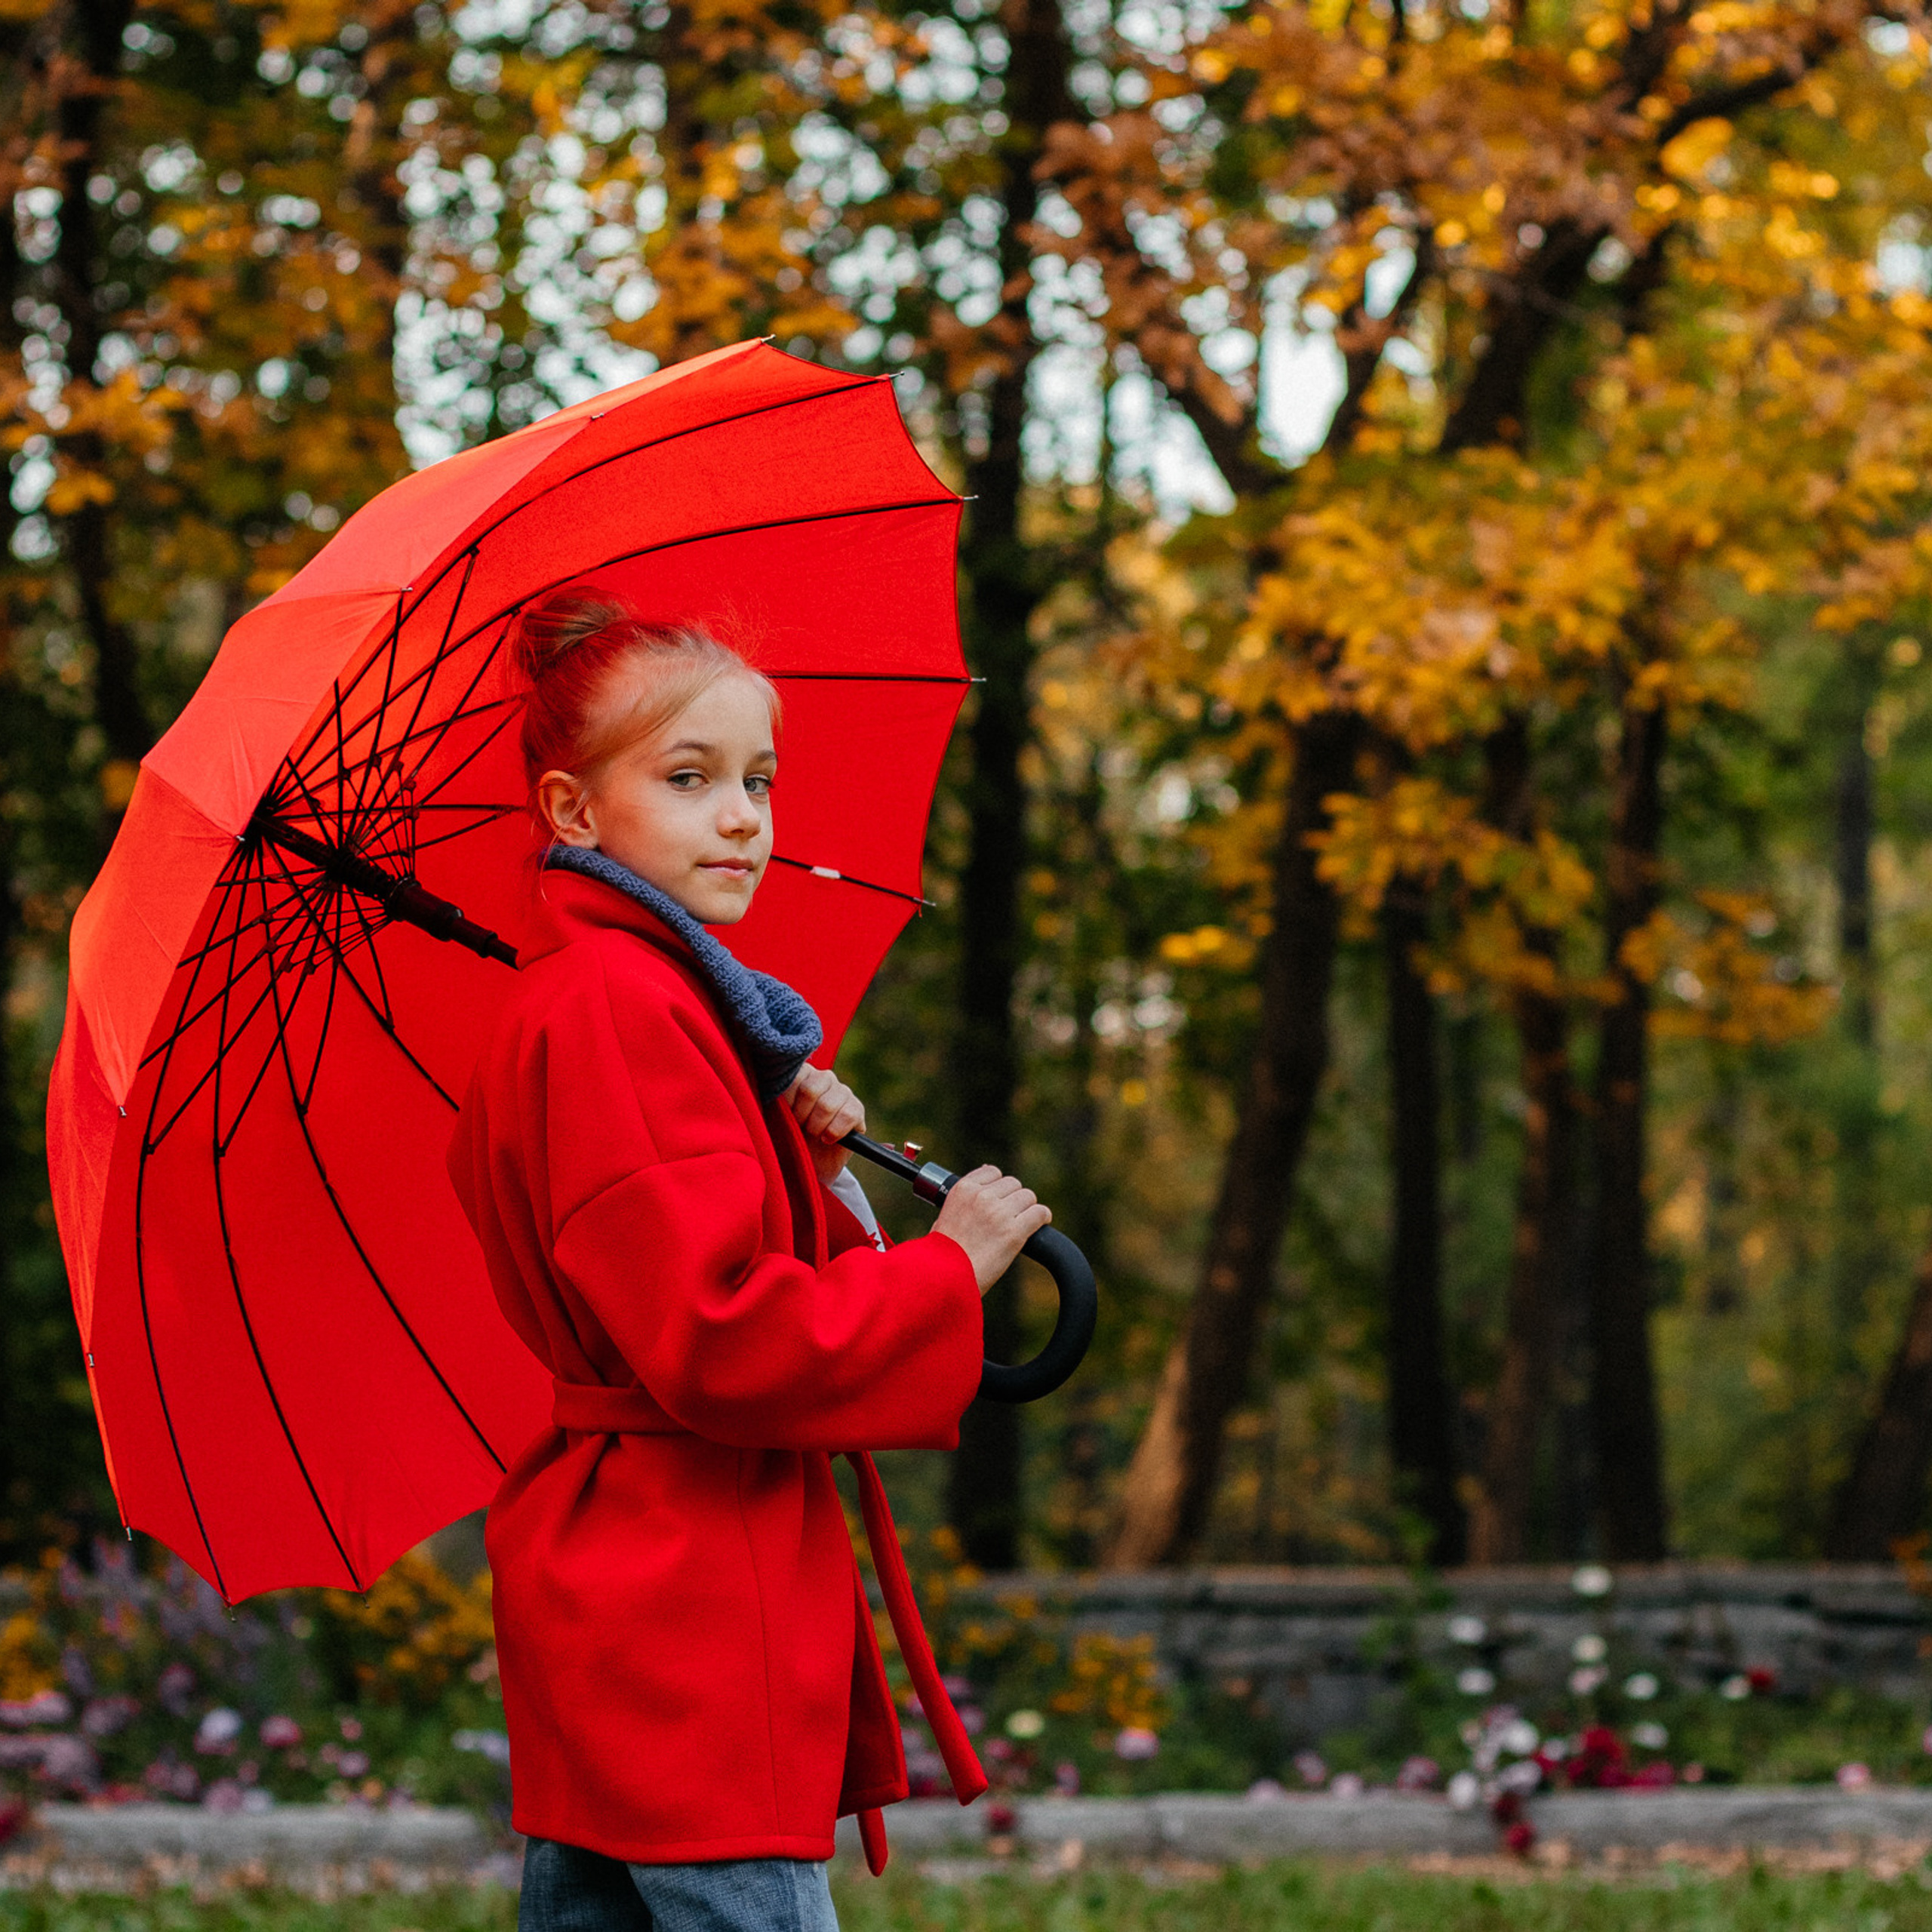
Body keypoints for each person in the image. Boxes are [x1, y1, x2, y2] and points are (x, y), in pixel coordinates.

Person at [446, 589, 1051, 1932]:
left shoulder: (643, 1003)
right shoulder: (622, 1007)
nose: (743, 817)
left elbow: (686, 1272)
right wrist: (950, 1266)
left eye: (759, 780)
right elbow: (718, 1334)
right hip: (688, 1585)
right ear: (572, 813)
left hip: (626, 1579)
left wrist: (819, 1170)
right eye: (688, 777)